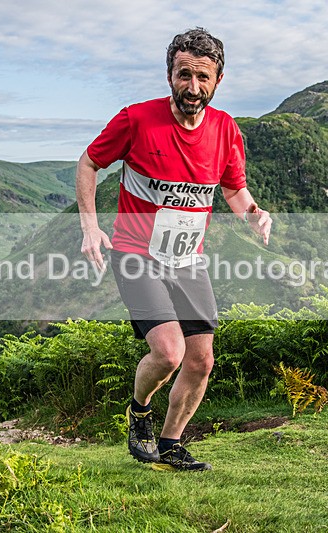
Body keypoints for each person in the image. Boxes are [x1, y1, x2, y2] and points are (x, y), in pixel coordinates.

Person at [77, 27, 271, 471]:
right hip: (135, 254)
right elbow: (89, 162)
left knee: (201, 360)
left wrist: (255, 213)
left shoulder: (225, 130)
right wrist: (89, 227)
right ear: (170, 76)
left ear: (218, 81)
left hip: (187, 259)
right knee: (169, 352)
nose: (193, 88)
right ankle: (140, 410)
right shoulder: (136, 119)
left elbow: (234, 190)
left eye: (203, 78)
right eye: (185, 75)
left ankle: (171, 443)